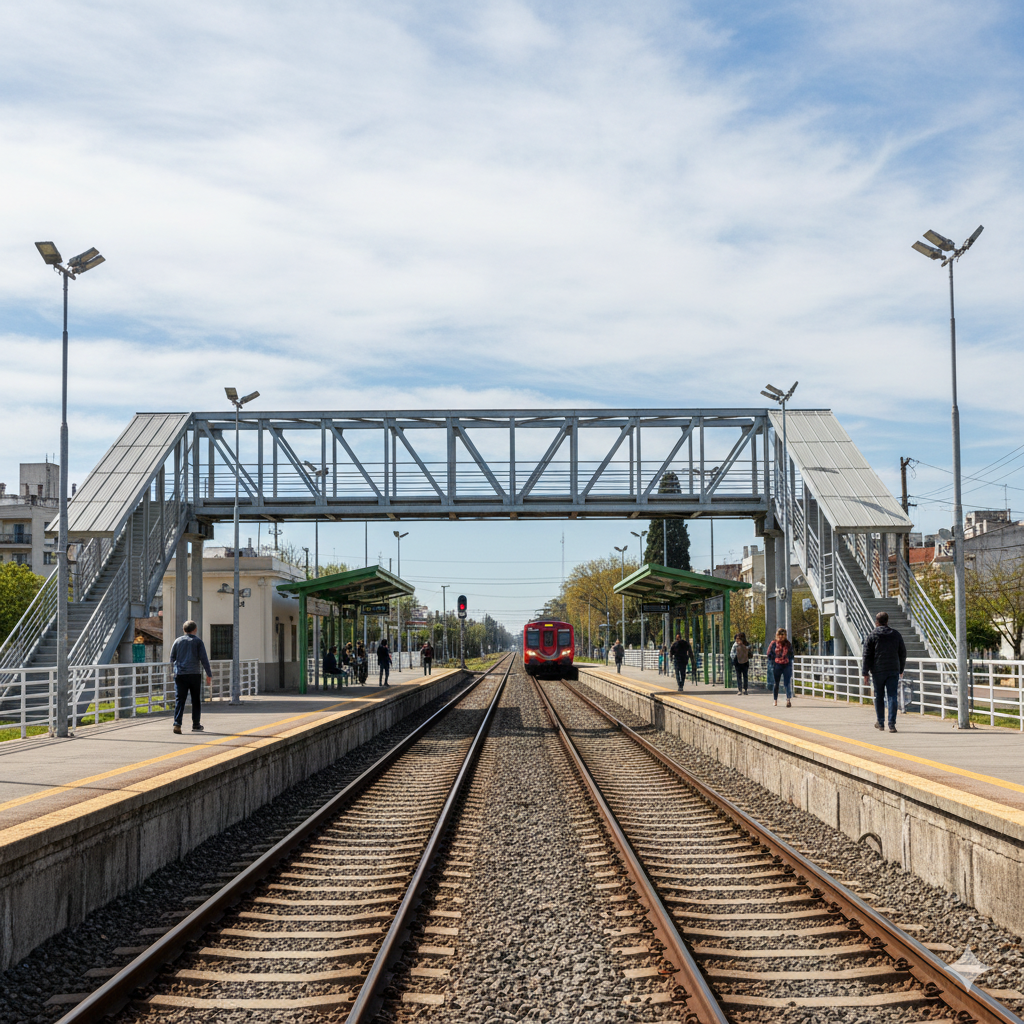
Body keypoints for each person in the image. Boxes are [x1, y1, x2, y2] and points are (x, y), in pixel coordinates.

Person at [862, 610, 907, 733]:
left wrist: (865, 672)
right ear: (887, 621)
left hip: (878, 670)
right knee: (892, 695)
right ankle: (891, 724)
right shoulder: (896, 634)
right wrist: (901, 669)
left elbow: (866, 655)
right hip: (893, 669)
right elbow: (902, 653)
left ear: (877, 622)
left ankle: (880, 722)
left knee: (879, 696)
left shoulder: (872, 635)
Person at [168, 620, 212, 734]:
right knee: (196, 700)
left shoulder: (177, 641)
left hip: (180, 674)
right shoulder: (198, 642)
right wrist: (209, 674)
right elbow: (204, 659)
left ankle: (177, 724)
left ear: (184, 630)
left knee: (180, 700)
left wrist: (172, 672)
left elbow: (172, 658)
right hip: (194, 674)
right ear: (195, 630)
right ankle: (196, 724)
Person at [766, 627, 794, 707]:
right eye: (779, 635)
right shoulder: (774, 643)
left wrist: (789, 660)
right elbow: (769, 653)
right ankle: (775, 700)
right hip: (777, 664)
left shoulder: (788, 644)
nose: (781, 637)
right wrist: (773, 662)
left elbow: (791, 654)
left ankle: (788, 700)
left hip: (786, 665)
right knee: (776, 683)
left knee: (787, 683)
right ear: (777, 635)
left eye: (783, 635)